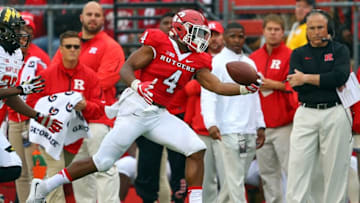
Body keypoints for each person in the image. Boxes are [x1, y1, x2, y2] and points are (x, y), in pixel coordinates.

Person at [26, 9, 261, 203]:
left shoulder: (197, 59)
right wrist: (137, 84)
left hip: (159, 114)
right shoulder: (158, 42)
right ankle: (45, 186)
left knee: (197, 149)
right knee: (102, 162)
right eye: (196, 32)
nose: (201, 38)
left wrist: (243, 89)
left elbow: (217, 86)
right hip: (135, 108)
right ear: (180, 29)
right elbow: (126, 68)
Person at [52, 2, 125, 203]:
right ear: (81, 18)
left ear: (103, 19)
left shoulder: (112, 47)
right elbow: (54, 75)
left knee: (105, 168)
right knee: (79, 173)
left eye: (97, 15)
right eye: (89, 14)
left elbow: (103, 82)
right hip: (72, 121)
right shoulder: (70, 43)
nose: (93, 18)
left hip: (98, 118)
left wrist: (71, 94)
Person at [26, 30, 104, 203]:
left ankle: (39, 197)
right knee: (56, 170)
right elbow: (31, 102)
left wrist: (86, 106)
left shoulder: (90, 76)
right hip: (49, 134)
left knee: (60, 173)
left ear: (81, 49)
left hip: (73, 138)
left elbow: (99, 109)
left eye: (76, 46)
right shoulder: (46, 76)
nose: (72, 50)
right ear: (60, 49)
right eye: (68, 46)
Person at [286, 10, 352, 203]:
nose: (315, 32)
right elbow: (295, 83)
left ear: (328, 28)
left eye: (320, 27)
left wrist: (306, 77)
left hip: (335, 111)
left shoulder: (340, 50)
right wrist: (324, 80)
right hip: (306, 111)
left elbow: (340, 77)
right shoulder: (298, 53)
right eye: (311, 28)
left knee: (336, 169)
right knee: (298, 167)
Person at [201, 22, 266, 203]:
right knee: (235, 181)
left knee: (235, 181)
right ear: (224, 38)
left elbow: (255, 97)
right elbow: (208, 95)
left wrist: (260, 125)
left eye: (240, 36)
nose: (237, 40)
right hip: (227, 129)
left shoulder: (249, 63)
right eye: (232, 36)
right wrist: (211, 122)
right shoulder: (216, 62)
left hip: (249, 129)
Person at [0, 7, 62, 182]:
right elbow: (14, 91)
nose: (21, 33)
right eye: (17, 28)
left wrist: (37, 116)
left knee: (13, 167)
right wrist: (21, 89)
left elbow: (9, 96)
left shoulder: (16, 54)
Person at [249, 14, 297, 203]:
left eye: (277, 29)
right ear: (263, 31)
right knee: (268, 175)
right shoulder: (253, 58)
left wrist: (274, 84)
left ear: (283, 32)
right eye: (269, 29)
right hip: (262, 127)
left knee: (291, 171)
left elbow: (295, 85)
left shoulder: (291, 55)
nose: (273, 33)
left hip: (285, 124)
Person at [6, 11, 50, 203]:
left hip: (33, 121)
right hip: (14, 121)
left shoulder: (39, 59)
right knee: (20, 171)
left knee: (37, 171)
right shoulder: (7, 57)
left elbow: (48, 90)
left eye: (25, 32)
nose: (21, 36)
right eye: (17, 31)